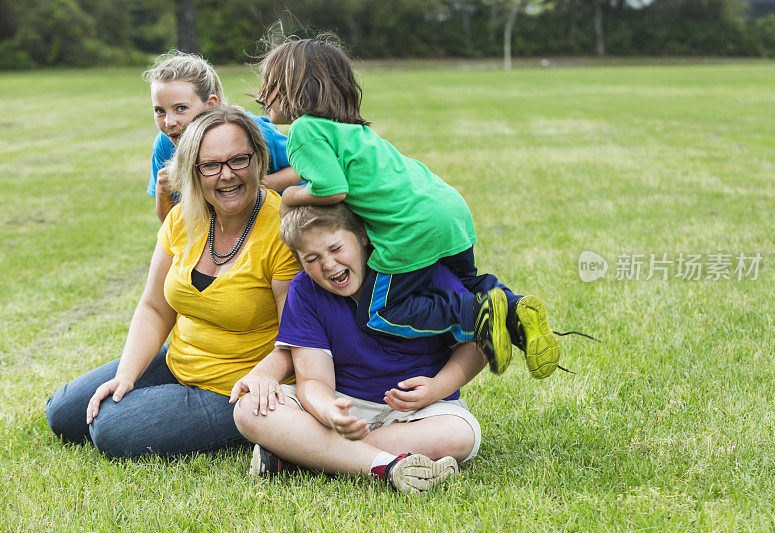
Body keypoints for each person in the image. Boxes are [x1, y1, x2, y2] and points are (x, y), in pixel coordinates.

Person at [257, 36, 562, 379]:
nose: (263, 95)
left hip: (410, 228)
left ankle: (479, 314)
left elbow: (331, 189)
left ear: (291, 88)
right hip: (448, 208)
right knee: (463, 281)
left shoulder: (303, 129)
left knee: (381, 310)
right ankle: (519, 312)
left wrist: (289, 197)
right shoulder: (350, 130)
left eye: (268, 85)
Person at [46, 106, 301, 458]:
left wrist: (263, 379)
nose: (226, 176)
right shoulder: (183, 217)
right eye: (210, 165)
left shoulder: (281, 230)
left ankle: (264, 423)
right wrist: (127, 375)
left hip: (238, 386)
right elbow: (154, 307)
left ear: (258, 159)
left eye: (239, 160)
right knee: (63, 414)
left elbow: (298, 337)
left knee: (112, 429)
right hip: (179, 360)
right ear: (193, 172)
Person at [232, 204, 486, 494]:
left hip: (420, 411)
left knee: (458, 436)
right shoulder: (305, 291)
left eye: (336, 248)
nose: (328, 264)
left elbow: (477, 344)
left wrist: (437, 387)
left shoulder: (421, 274)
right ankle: (385, 466)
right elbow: (313, 380)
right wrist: (329, 412)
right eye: (312, 258)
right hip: (344, 404)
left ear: (363, 236)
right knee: (249, 409)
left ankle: (300, 457)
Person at [144, 50, 301, 222]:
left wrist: (262, 183)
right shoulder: (165, 143)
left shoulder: (252, 131)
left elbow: (303, 167)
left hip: (287, 220)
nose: (169, 122)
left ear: (211, 104)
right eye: (160, 110)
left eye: (181, 108)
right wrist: (162, 191)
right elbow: (171, 227)